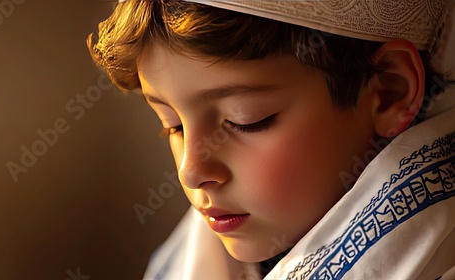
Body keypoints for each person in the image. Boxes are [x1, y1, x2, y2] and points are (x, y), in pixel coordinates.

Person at [87, 1, 455, 279]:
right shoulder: (189, 260)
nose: (190, 171)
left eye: (245, 120)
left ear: (389, 91)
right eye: (173, 125)